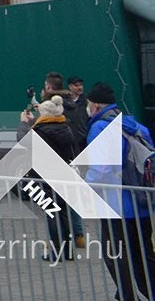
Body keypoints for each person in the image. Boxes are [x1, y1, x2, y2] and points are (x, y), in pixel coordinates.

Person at [86, 81, 155, 300]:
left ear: (95, 105)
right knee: (143, 254)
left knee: (114, 252)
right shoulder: (137, 126)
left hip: (115, 204)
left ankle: (127, 296)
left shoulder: (100, 127)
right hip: (142, 202)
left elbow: (100, 169)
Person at [21, 94, 77, 261]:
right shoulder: (65, 127)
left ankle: (57, 251)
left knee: (52, 213)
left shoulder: (41, 131)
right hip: (63, 176)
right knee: (64, 213)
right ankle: (68, 251)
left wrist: (24, 123)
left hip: (43, 178)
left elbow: (22, 140)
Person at [64, 76, 90, 248]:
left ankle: (77, 233)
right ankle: (76, 234)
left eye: (81, 84)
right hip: (69, 152)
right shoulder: (64, 104)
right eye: (76, 85)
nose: (79, 87)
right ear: (69, 87)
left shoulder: (85, 103)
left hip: (80, 150)